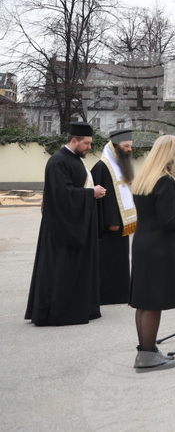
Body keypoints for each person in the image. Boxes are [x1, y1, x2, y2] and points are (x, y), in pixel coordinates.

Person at [129, 134, 175, 372]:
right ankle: (147, 357)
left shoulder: (145, 178)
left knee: (144, 302)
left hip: (143, 244)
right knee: (153, 303)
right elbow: (168, 221)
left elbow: (154, 209)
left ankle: (145, 351)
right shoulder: (166, 180)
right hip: (159, 249)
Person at [25, 121, 107, 326]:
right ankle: (57, 312)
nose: (90, 147)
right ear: (74, 141)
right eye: (87, 143)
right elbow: (62, 195)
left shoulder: (74, 159)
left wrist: (91, 191)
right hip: (62, 229)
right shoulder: (58, 161)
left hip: (75, 224)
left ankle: (81, 307)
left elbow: (76, 186)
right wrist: (91, 193)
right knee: (60, 270)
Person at [91, 128, 137, 305]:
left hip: (121, 223)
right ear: (115, 146)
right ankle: (107, 295)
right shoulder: (103, 167)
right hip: (110, 225)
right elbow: (104, 198)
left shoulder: (119, 165)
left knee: (120, 258)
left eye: (130, 146)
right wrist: (112, 221)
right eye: (126, 146)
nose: (129, 149)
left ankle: (120, 294)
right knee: (108, 260)